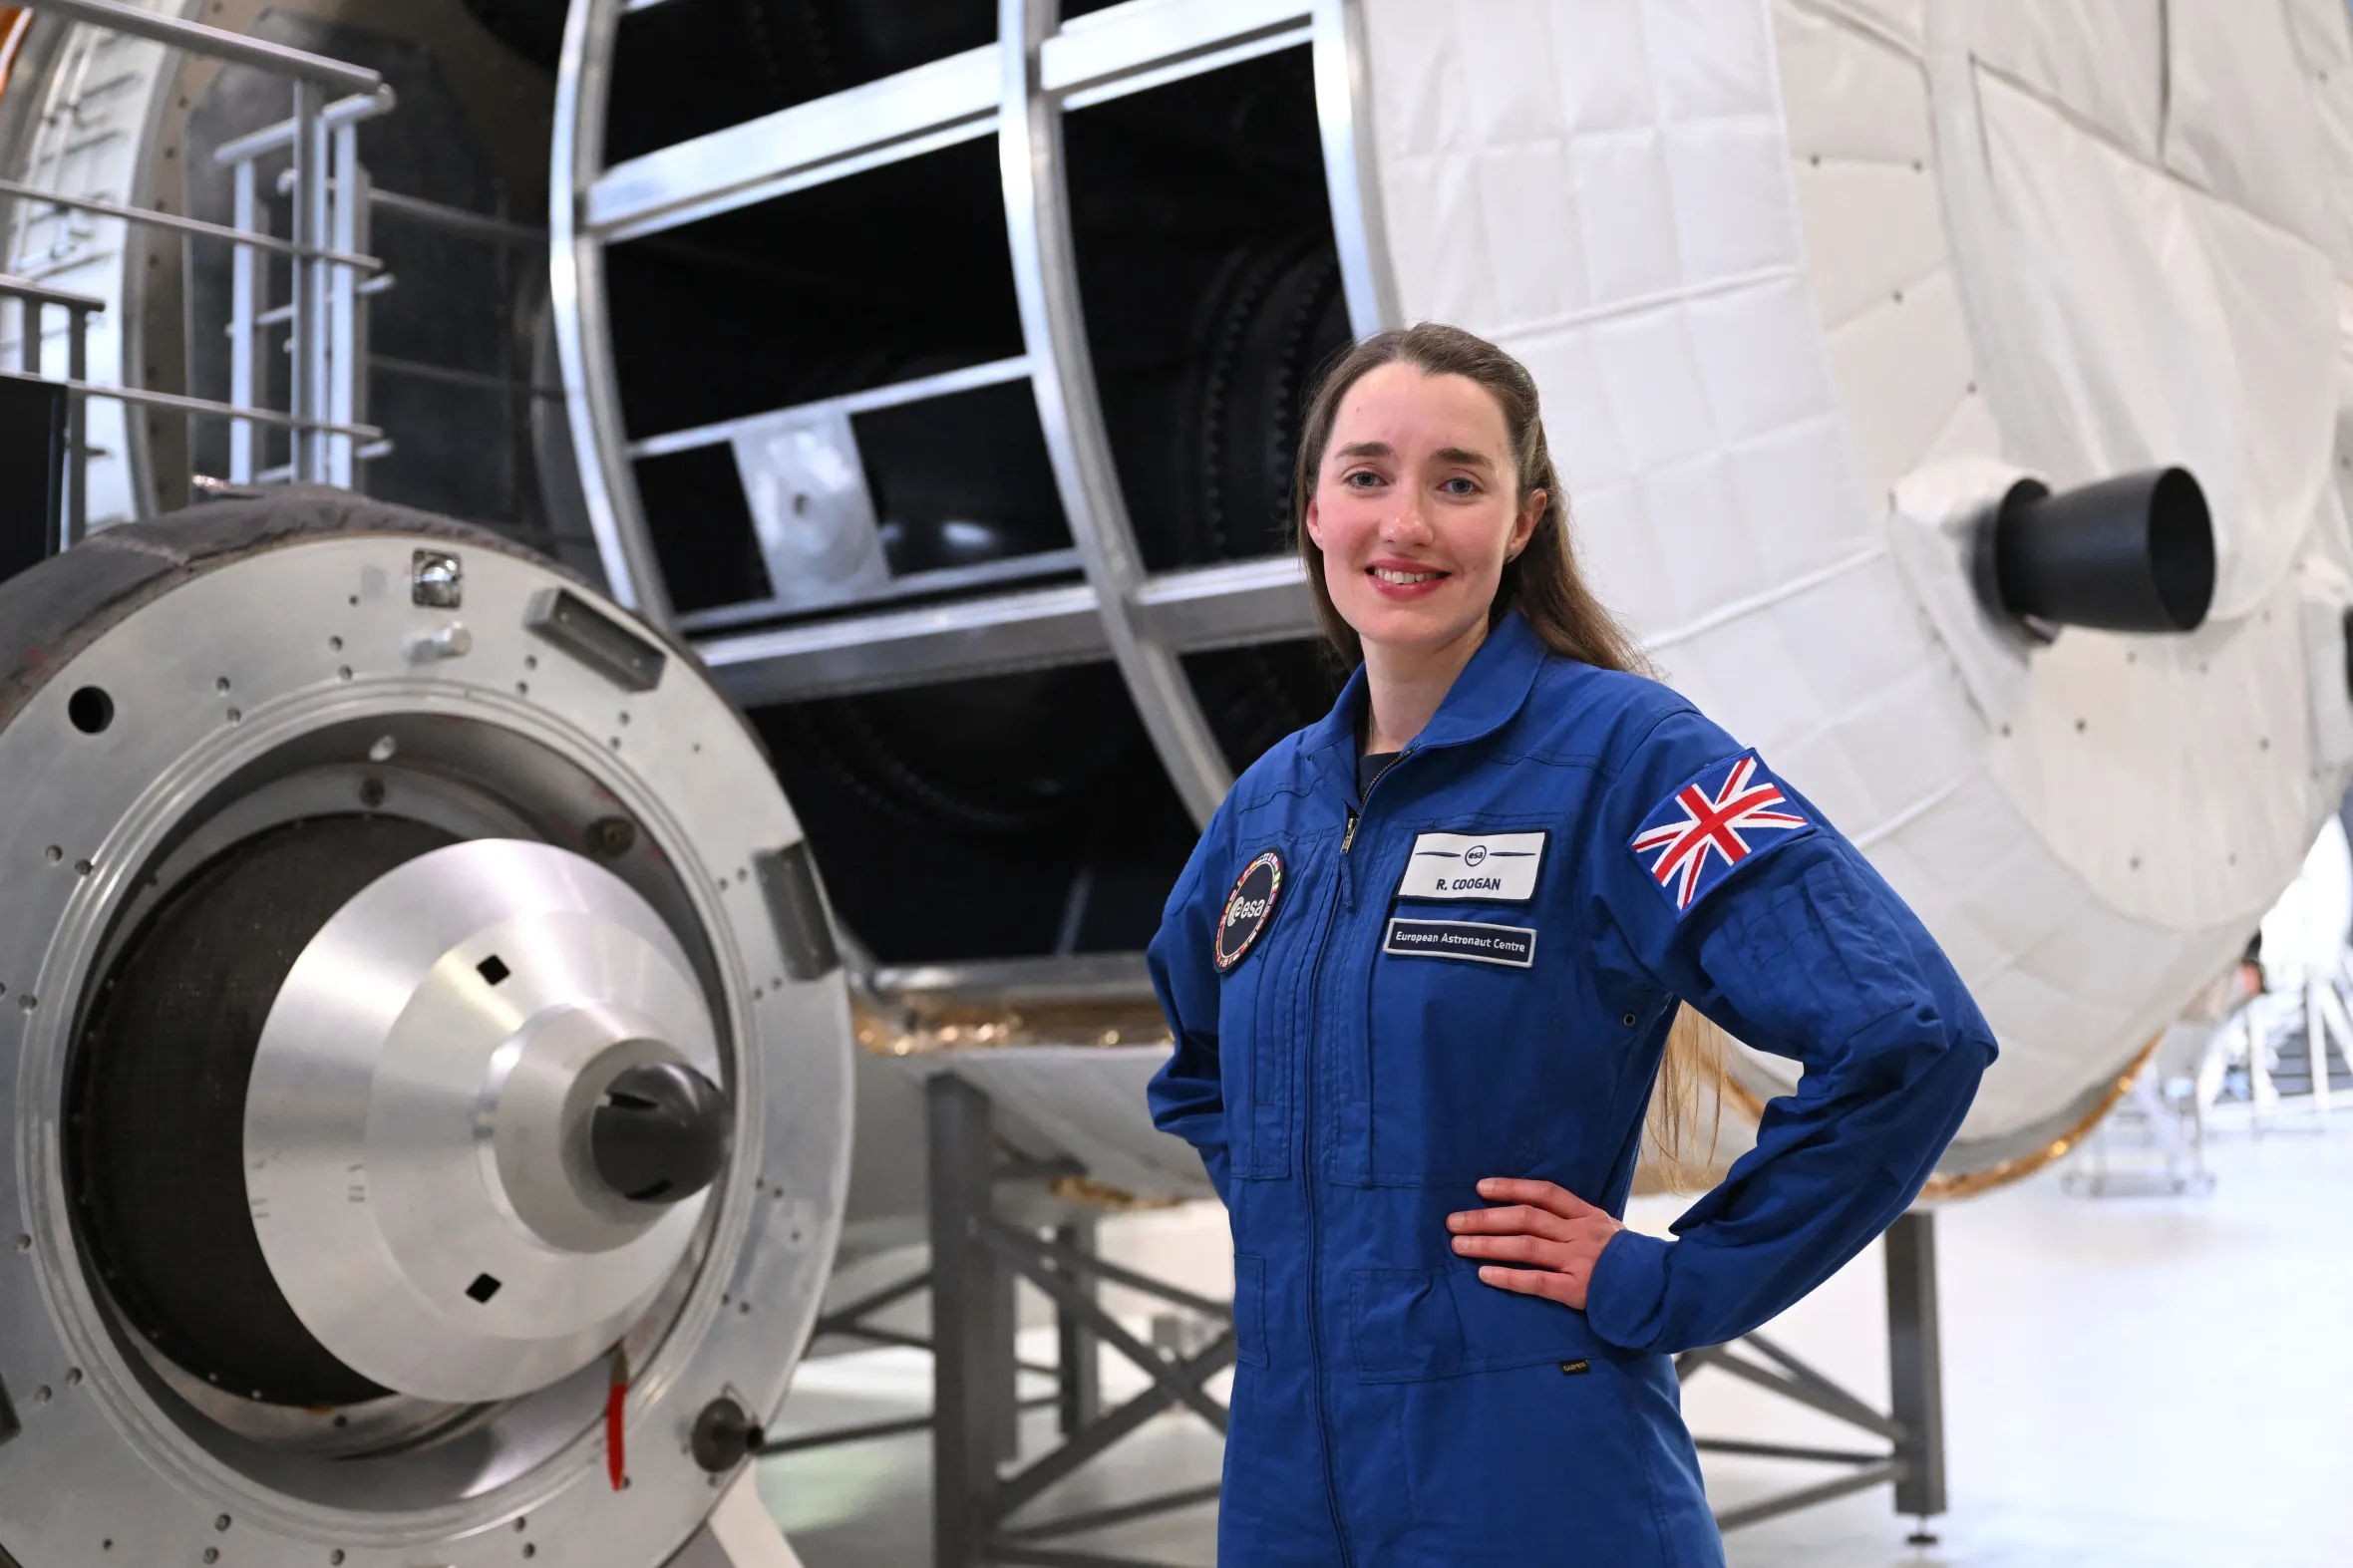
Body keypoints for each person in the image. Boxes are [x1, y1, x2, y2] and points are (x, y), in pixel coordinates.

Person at [1146, 323, 1995, 1565]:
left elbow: (1904, 1036)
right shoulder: (1271, 804)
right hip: (1284, 1485)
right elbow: (1199, 1061)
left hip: (1530, 1481)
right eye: (1367, 475)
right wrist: (1308, 1226)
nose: (1407, 524)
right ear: (1313, 510)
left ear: (1524, 519)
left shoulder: (1630, 759)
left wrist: (1670, 1282)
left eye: (1458, 482)